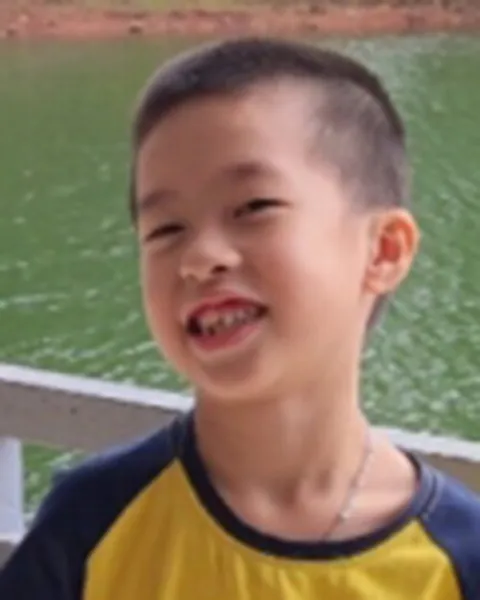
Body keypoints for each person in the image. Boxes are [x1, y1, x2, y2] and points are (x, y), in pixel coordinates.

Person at [1, 36, 479, 600]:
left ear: (384, 251)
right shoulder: (91, 523)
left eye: (254, 207)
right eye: (166, 229)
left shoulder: (459, 559)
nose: (200, 257)